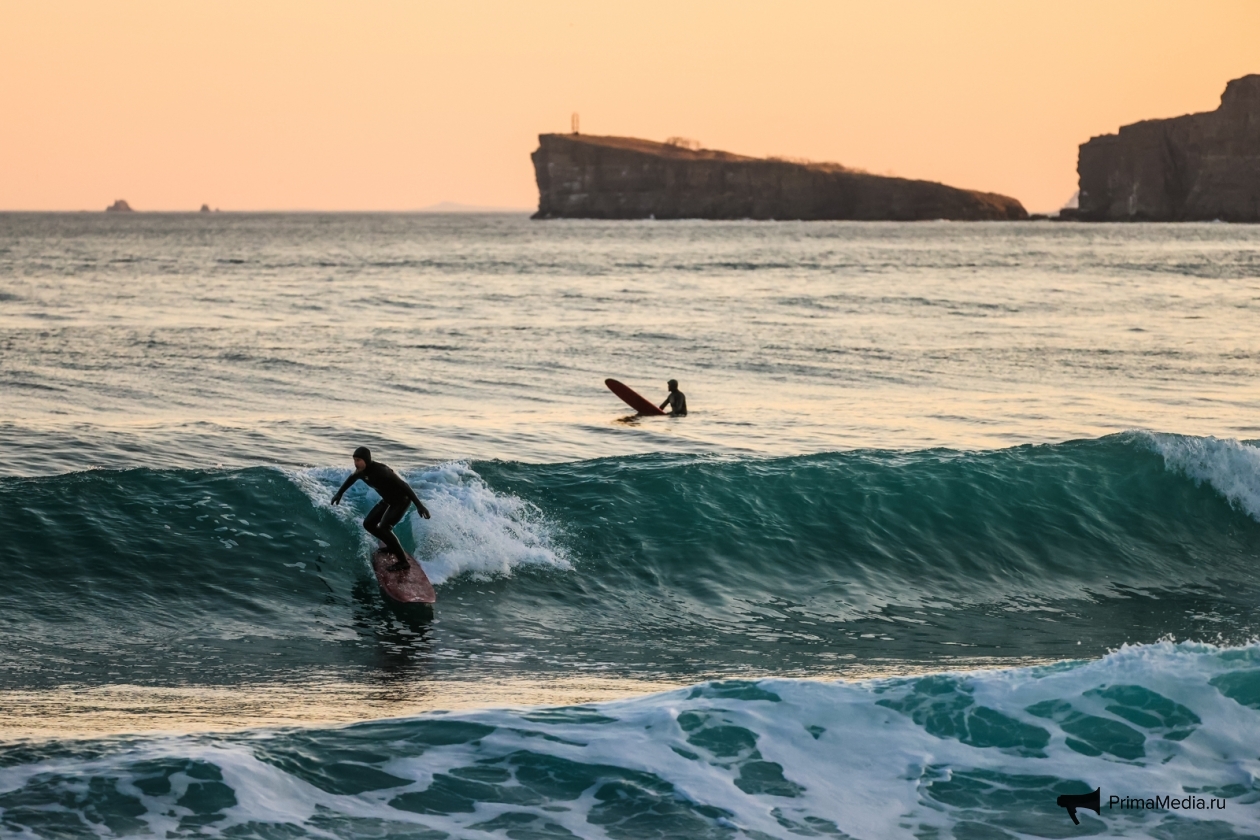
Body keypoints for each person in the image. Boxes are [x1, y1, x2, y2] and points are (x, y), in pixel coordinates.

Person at [331, 446, 430, 572]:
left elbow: (404, 485)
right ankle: (390, 546)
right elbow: (351, 479)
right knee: (368, 524)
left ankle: (403, 562)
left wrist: (419, 506)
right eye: (354, 460)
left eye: (358, 460)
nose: (356, 463)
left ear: (366, 459)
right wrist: (339, 493)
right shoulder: (361, 471)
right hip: (387, 500)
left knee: (384, 527)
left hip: (401, 500)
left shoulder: (381, 471)